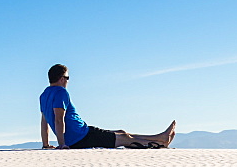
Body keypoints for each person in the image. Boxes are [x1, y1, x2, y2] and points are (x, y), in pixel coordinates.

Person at [39, 64, 176, 149]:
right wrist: (62, 144)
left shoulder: (44, 95)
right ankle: (160, 141)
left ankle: (159, 137)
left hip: (83, 133)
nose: (68, 81)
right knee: (124, 139)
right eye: (68, 78)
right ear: (62, 79)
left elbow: (44, 122)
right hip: (80, 137)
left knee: (122, 132)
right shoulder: (61, 92)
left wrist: (46, 144)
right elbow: (58, 119)